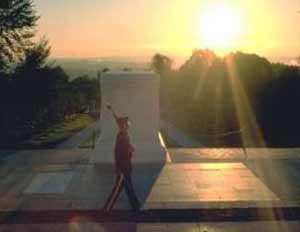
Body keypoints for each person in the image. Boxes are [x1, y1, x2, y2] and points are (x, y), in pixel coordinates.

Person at [103, 103, 140, 212]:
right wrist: (118, 167)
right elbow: (117, 153)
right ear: (124, 125)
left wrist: (130, 148)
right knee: (124, 187)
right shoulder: (122, 135)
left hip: (126, 166)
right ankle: (108, 208)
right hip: (124, 167)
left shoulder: (124, 134)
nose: (128, 124)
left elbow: (117, 120)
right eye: (126, 123)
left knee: (125, 187)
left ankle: (134, 205)